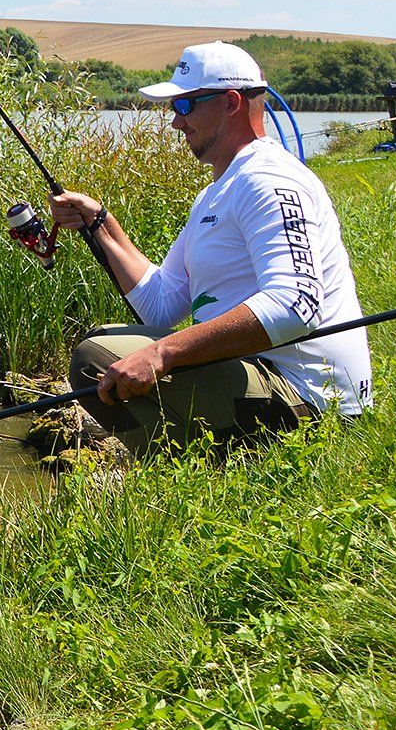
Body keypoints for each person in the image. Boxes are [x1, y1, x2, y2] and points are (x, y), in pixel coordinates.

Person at [49, 41, 371, 455]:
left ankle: (190, 471)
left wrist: (163, 353)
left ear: (231, 103)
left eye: (184, 107)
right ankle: (197, 467)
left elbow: (296, 304)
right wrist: (100, 223)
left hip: (310, 398)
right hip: (261, 372)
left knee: (94, 357)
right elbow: (162, 302)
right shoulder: (217, 193)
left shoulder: (269, 181)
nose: (175, 123)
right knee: (105, 342)